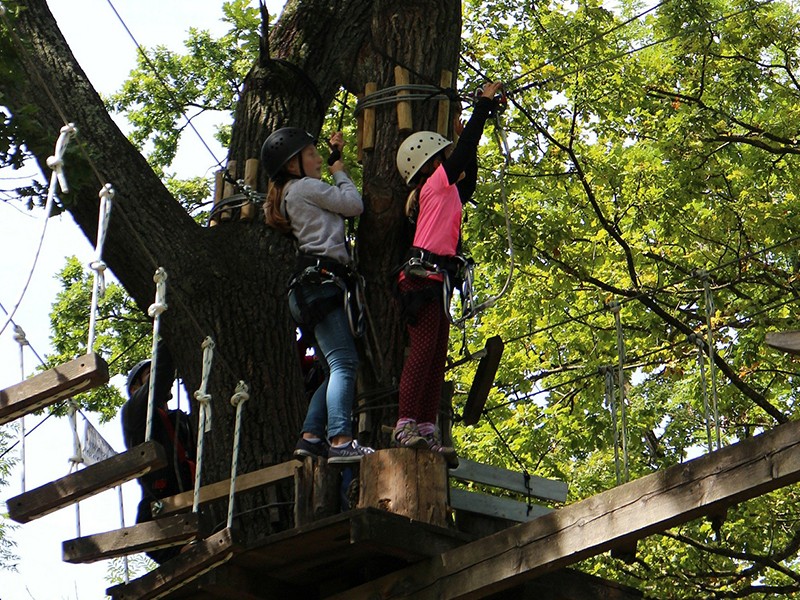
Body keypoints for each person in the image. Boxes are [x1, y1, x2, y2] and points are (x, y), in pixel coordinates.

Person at [392, 82, 505, 468]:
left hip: (437, 280)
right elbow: (464, 156)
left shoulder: (448, 190)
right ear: (431, 163)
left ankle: (425, 426)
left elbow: (467, 176)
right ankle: (405, 423)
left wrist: (464, 134)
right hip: (423, 279)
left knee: (436, 357)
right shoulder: (434, 185)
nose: (451, 161)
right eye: (445, 155)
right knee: (422, 354)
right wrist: (482, 107)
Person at [262, 126, 374, 464]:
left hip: (308, 290)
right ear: (293, 164)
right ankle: (340, 439)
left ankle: (311, 436)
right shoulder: (306, 188)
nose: (318, 160)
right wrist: (340, 172)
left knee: (331, 367)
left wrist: (335, 156)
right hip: (321, 285)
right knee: (345, 362)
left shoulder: (291, 193)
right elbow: (354, 205)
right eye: (311, 155)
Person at [121, 339, 196, 564]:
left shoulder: (179, 420)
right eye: (148, 374)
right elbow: (161, 376)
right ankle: (181, 554)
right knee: (150, 526)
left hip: (191, 491)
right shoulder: (134, 411)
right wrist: (167, 332)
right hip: (161, 496)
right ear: (136, 388)